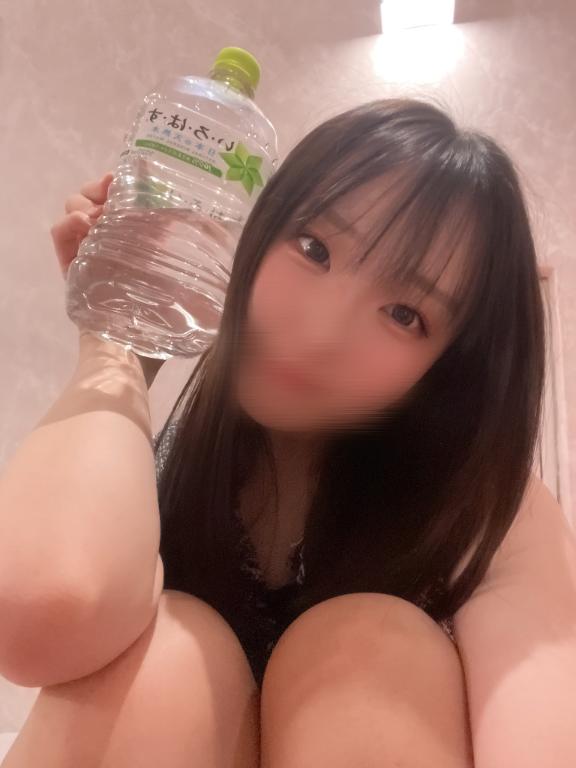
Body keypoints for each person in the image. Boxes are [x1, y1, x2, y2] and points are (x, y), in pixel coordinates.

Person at [0, 98, 575, 768]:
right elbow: (38, 620)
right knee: (170, 659)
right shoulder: (147, 475)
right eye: (313, 249)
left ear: (447, 369)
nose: (320, 332)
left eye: (404, 314)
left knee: (369, 649)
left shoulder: (486, 514)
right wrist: (117, 338)